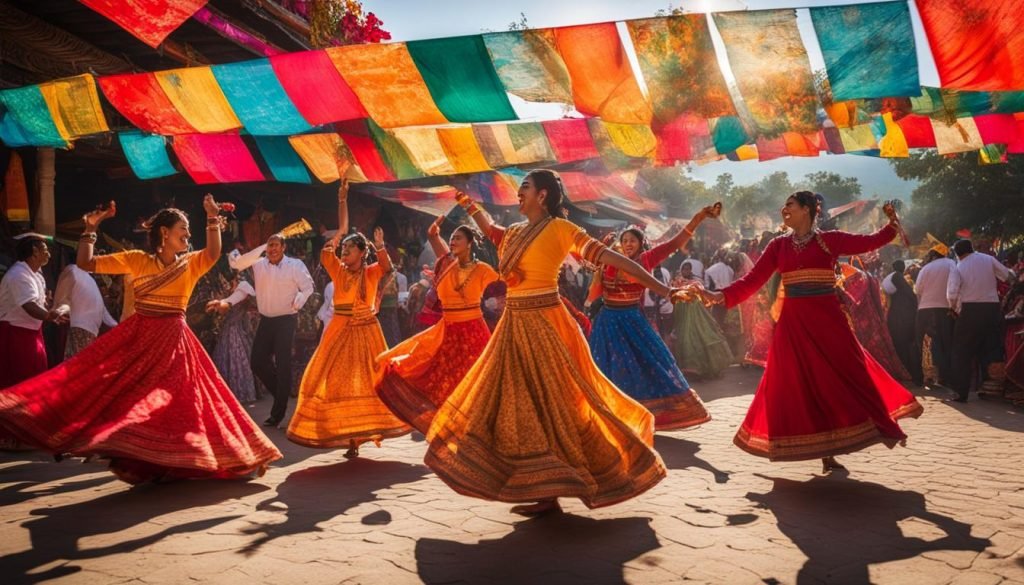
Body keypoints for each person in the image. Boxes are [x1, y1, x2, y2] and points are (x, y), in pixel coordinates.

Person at [426, 170, 678, 517]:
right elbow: (491, 231)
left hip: (546, 323)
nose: (518, 194)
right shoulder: (514, 232)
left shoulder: (562, 229)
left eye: (524, 188)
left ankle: (582, 476)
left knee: (555, 403)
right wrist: (468, 203)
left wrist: (663, 289)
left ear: (542, 195)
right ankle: (540, 485)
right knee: (518, 404)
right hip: (513, 325)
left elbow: (612, 258)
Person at [0, 197, 282, 483]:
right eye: (182, 228)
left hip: (175, 345)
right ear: (164, 233)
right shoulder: (137, 259)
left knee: (182, 404)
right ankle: (139, 457)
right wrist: (90, 228)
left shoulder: (189, 264)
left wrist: (211, 218)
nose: (187, 233)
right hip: (140, 342)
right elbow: (85, 262)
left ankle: (175, 460)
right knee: (119, 396)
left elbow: (212, 253)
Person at [699, 192, 923, 473]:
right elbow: (752, 280)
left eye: (790, 205)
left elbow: (869, 242)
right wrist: (717, 296)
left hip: (829, 322)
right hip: (793, 325)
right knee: (792, 382)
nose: (784, 209)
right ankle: (816, 449)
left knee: (850, 372)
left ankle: (879, 425)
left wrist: (892, 225)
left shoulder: (831, 240)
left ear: (808, 210)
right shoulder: (778, 246)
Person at [286, 186, 410, 458]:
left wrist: (379, 247)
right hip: (340, 329)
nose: (343, 253)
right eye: (343, 249)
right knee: (334, 380)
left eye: (349, 250)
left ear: (361, 253)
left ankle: (360, 434)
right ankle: (347, 434)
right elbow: (326, 251)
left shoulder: (372, 272)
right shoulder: (337, 270)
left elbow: (387, 268)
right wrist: (341, 223)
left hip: (366, 332)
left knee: (367, 382)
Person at [586, 208, 717, 431]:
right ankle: (608, 417)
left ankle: (638, 415)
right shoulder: (609, 260)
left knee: (647, 367)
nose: (628, 244)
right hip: (607, 323)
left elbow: (676, 243)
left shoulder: (647, 259)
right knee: (606, 370)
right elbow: (593, 293)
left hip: (633, 321)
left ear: (640, 244)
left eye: (632, 241)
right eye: (625, 240)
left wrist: (699, 217)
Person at [376, 217, 499, 434]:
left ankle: (476, 430)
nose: (453, 241)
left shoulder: (482, 269)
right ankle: (453, 428)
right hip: (449, 333)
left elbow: (506, 283)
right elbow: (434, 238)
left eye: (458, 238)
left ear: (469, 243)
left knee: (475, 383)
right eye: (451, 238)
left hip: (474, 333)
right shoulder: (446, 264)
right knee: (441, 381)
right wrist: (433, 231)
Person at [209, 213, 316, 428]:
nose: (273, 249)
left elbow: (309, 286)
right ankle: (282, 395)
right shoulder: (258, 266)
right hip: (266, 321)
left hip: (286, 320)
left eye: (276, 245)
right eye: (270, 246)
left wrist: (300, 298)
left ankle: (278, 412)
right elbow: (241, 278)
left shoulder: (295, 265)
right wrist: (227, 302)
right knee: (257, 361)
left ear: (284, 248)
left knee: (283, 364)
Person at [946, 239, 1013, 402]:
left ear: (957, 254)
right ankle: (992, 389)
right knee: (991, 347)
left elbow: (952, 293)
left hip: (970, 309)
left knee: (962, 351)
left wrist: (954, 309)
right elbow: (1007, 276)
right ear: (972, 248)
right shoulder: (988, 259)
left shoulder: (958, 266)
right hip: (992, 308)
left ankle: (961, 392)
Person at [0, 234, 66, 388]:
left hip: (32, 332)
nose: (49, 254)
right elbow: (28, 305)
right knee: (21, 379)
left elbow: (38, 304)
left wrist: (48, 307)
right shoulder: (18, 274)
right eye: (45, 250)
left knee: (35, 375)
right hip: (16, 333)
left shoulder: (36, 275)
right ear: (35, 251)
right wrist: (48, 316)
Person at [671, 261, 734, 379]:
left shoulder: (696, 283)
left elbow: (703, 298)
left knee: (701, 336)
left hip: (696, 314)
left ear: (691, 270)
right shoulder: (676, 282)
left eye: (688, 269)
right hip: (682, 314)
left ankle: (702, 368)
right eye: (684, 269)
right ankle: (690, 369)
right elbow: (673, 297)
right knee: (686, 338)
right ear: (681, 270)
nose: (686, 271)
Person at [208, 274, 263, 404]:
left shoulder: (242, 290)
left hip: (233, 330)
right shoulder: (235, 292)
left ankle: (239, 391)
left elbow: (227, 306)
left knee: (236, 358)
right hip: (232, 329)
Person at [53, 262, 118, 359]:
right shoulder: (80, 274)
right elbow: (61, 300)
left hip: (84, 329)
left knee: (77, 365)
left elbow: (104, 314)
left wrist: (120, 328)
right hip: (84, 329)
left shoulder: (79, 274)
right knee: (78, 365)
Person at [915, 248, 956, 388]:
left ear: (933, 256)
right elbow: (955, 284)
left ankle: (928, 375)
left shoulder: (925, 268)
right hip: (944, 308)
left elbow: (918, 289)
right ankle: (945, 376)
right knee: (946, 342)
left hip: (925, 308)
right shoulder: (951, 263)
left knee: (926, 342)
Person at [881, 261, 922, 385]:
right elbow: (910, 295)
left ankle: (907, 373)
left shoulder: (890, 278)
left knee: (901, 346)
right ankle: (913, 375)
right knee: (907, 346)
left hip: (896, 316)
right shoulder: (897, 277)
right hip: (903, 317)